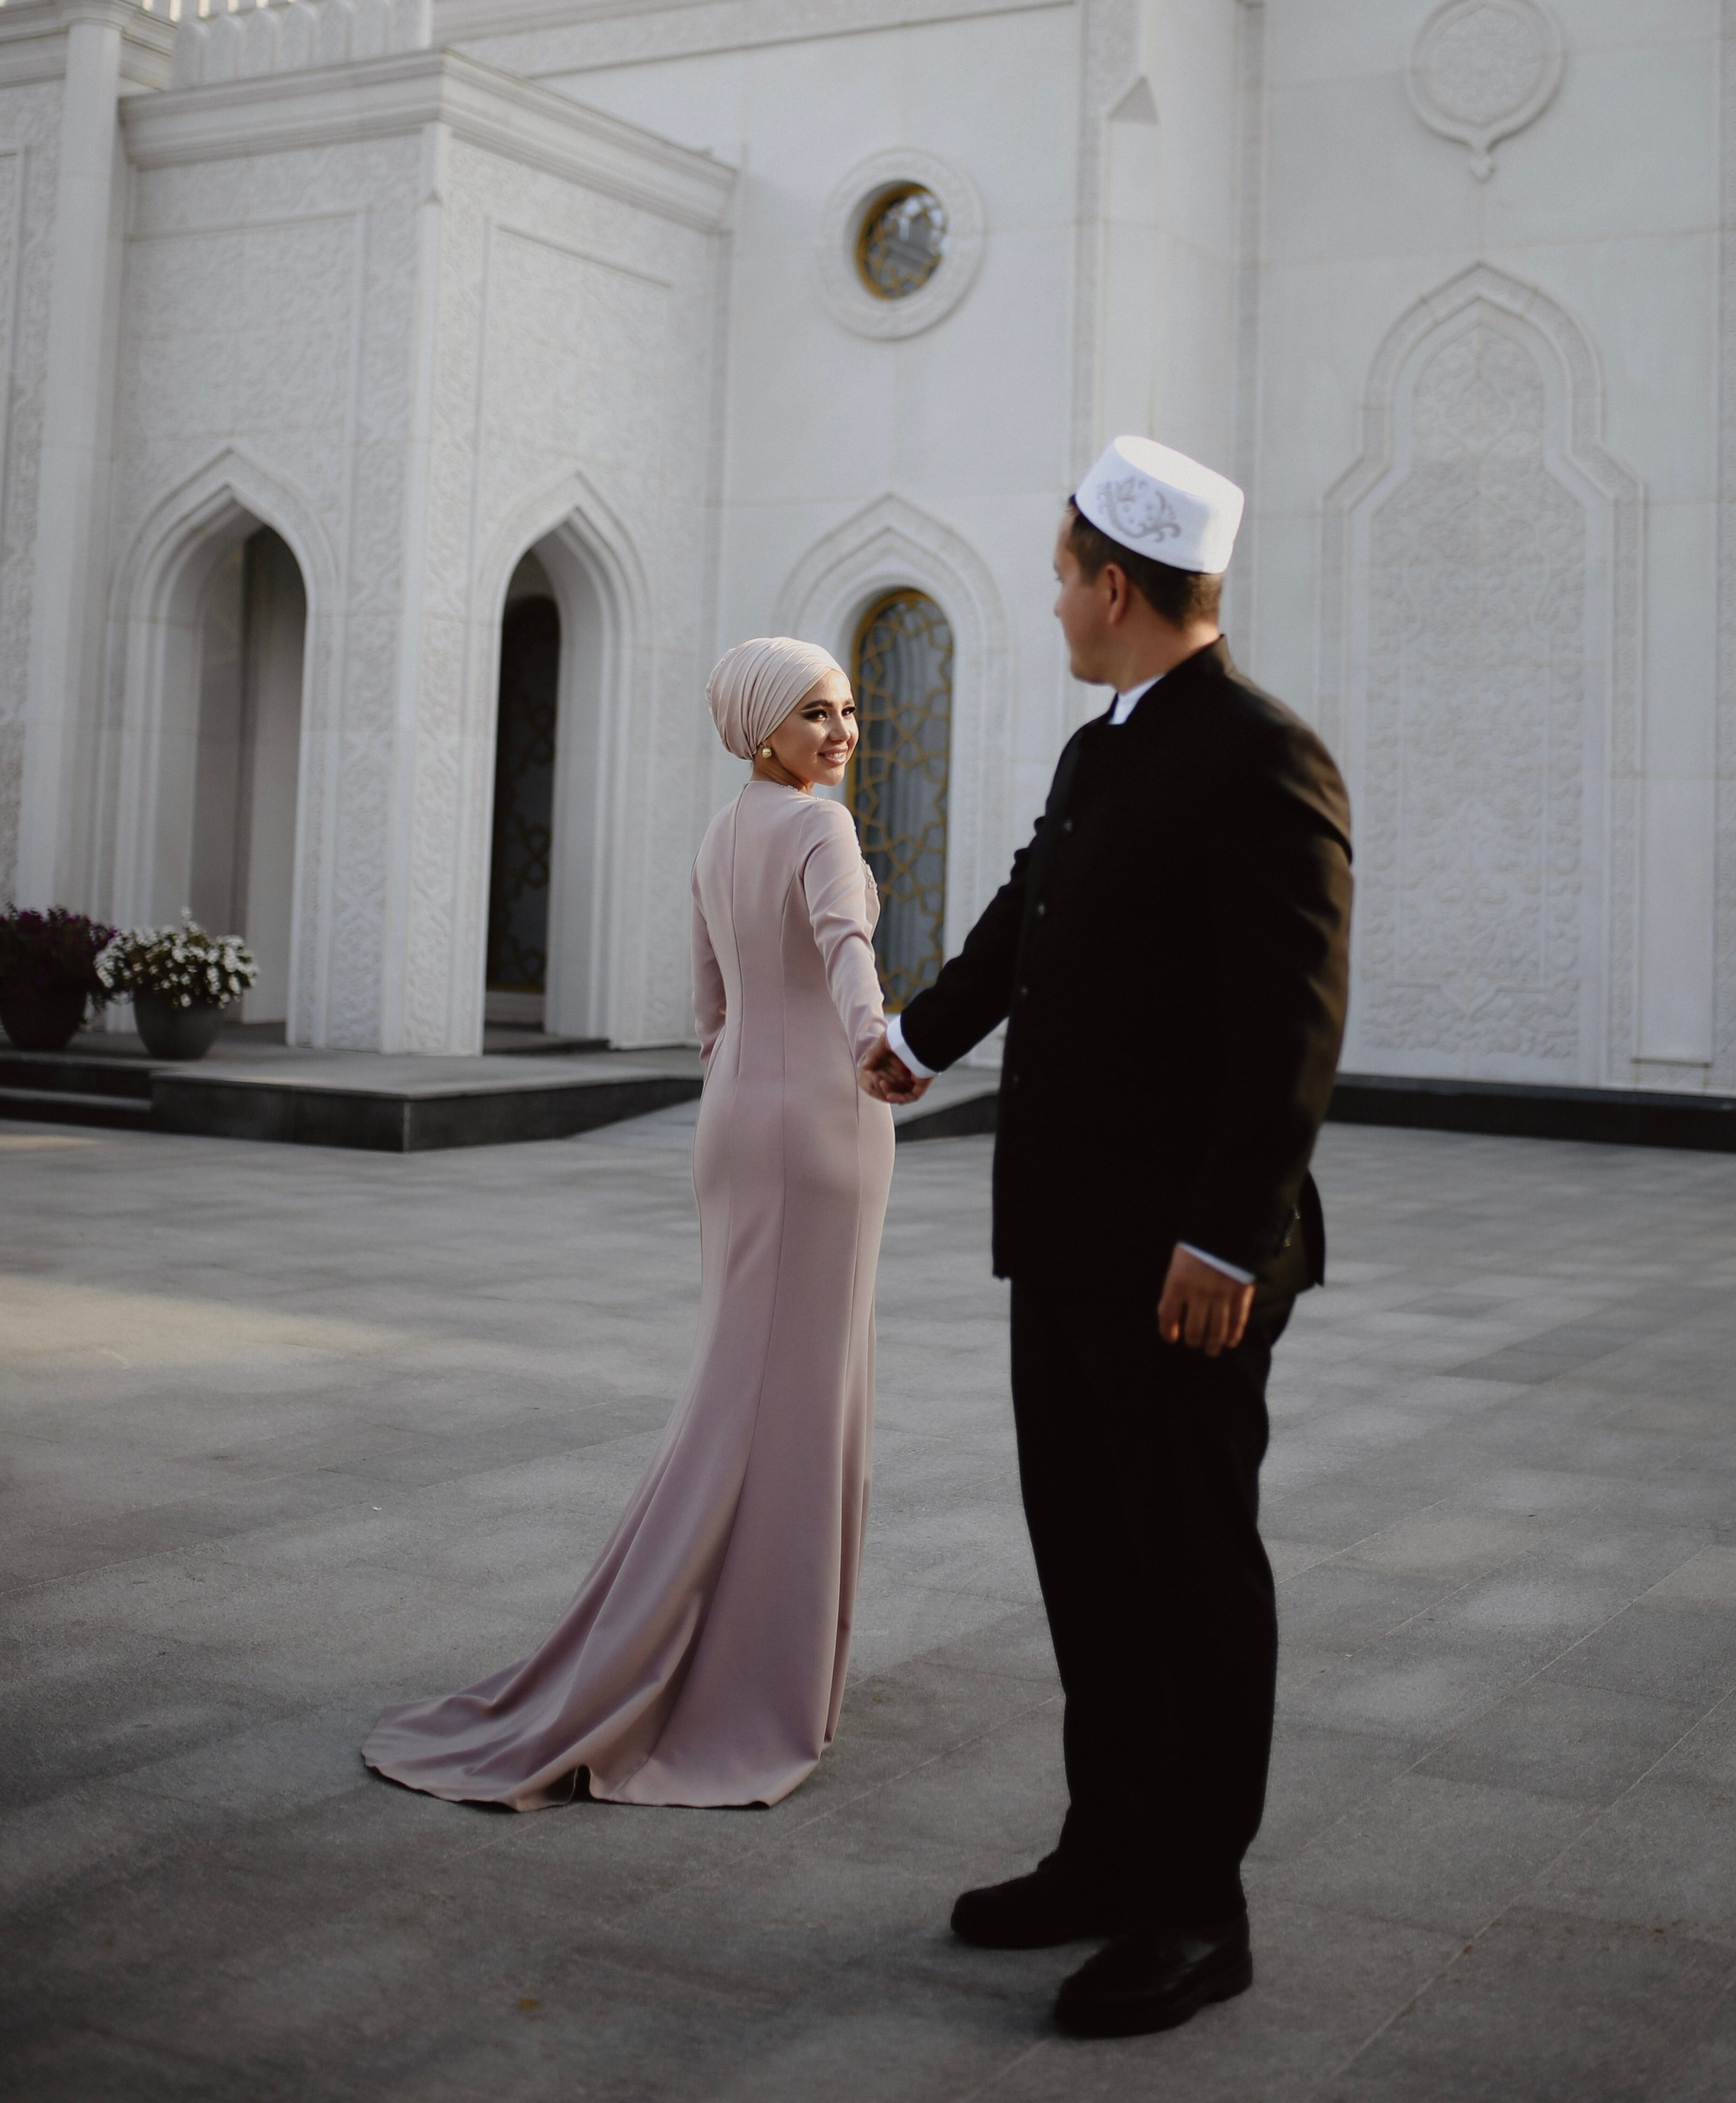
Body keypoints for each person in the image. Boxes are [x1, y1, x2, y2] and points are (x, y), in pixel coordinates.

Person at [862, 436, 1352, 2041]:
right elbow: (1030, 912)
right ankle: (1103, 1850)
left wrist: (1226, 1240)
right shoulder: (1105, 750)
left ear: (1118, 586)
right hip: (1066, 1239)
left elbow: (1290, 1026)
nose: (1054, 600)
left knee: (1184, 1568)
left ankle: (1194, 1908)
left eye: (1065, 573)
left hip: (1180, 1271)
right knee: (1087, 1555)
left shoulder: (1259, 756)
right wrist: (919, 1042)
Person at [365, 635, 918, 1812]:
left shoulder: (722, 833)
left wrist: (747, 1089)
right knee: (802, 1395)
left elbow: (711, 1011)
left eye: (849, 709)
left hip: (736, 1124)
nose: (841, 732)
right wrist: (875, 1046)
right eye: (814, 712)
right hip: (821, 1128)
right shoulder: (818, 830)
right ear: (761, 725)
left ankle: (709, 1637)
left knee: (746, 1385)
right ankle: (755, 1671)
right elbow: (846, 951)